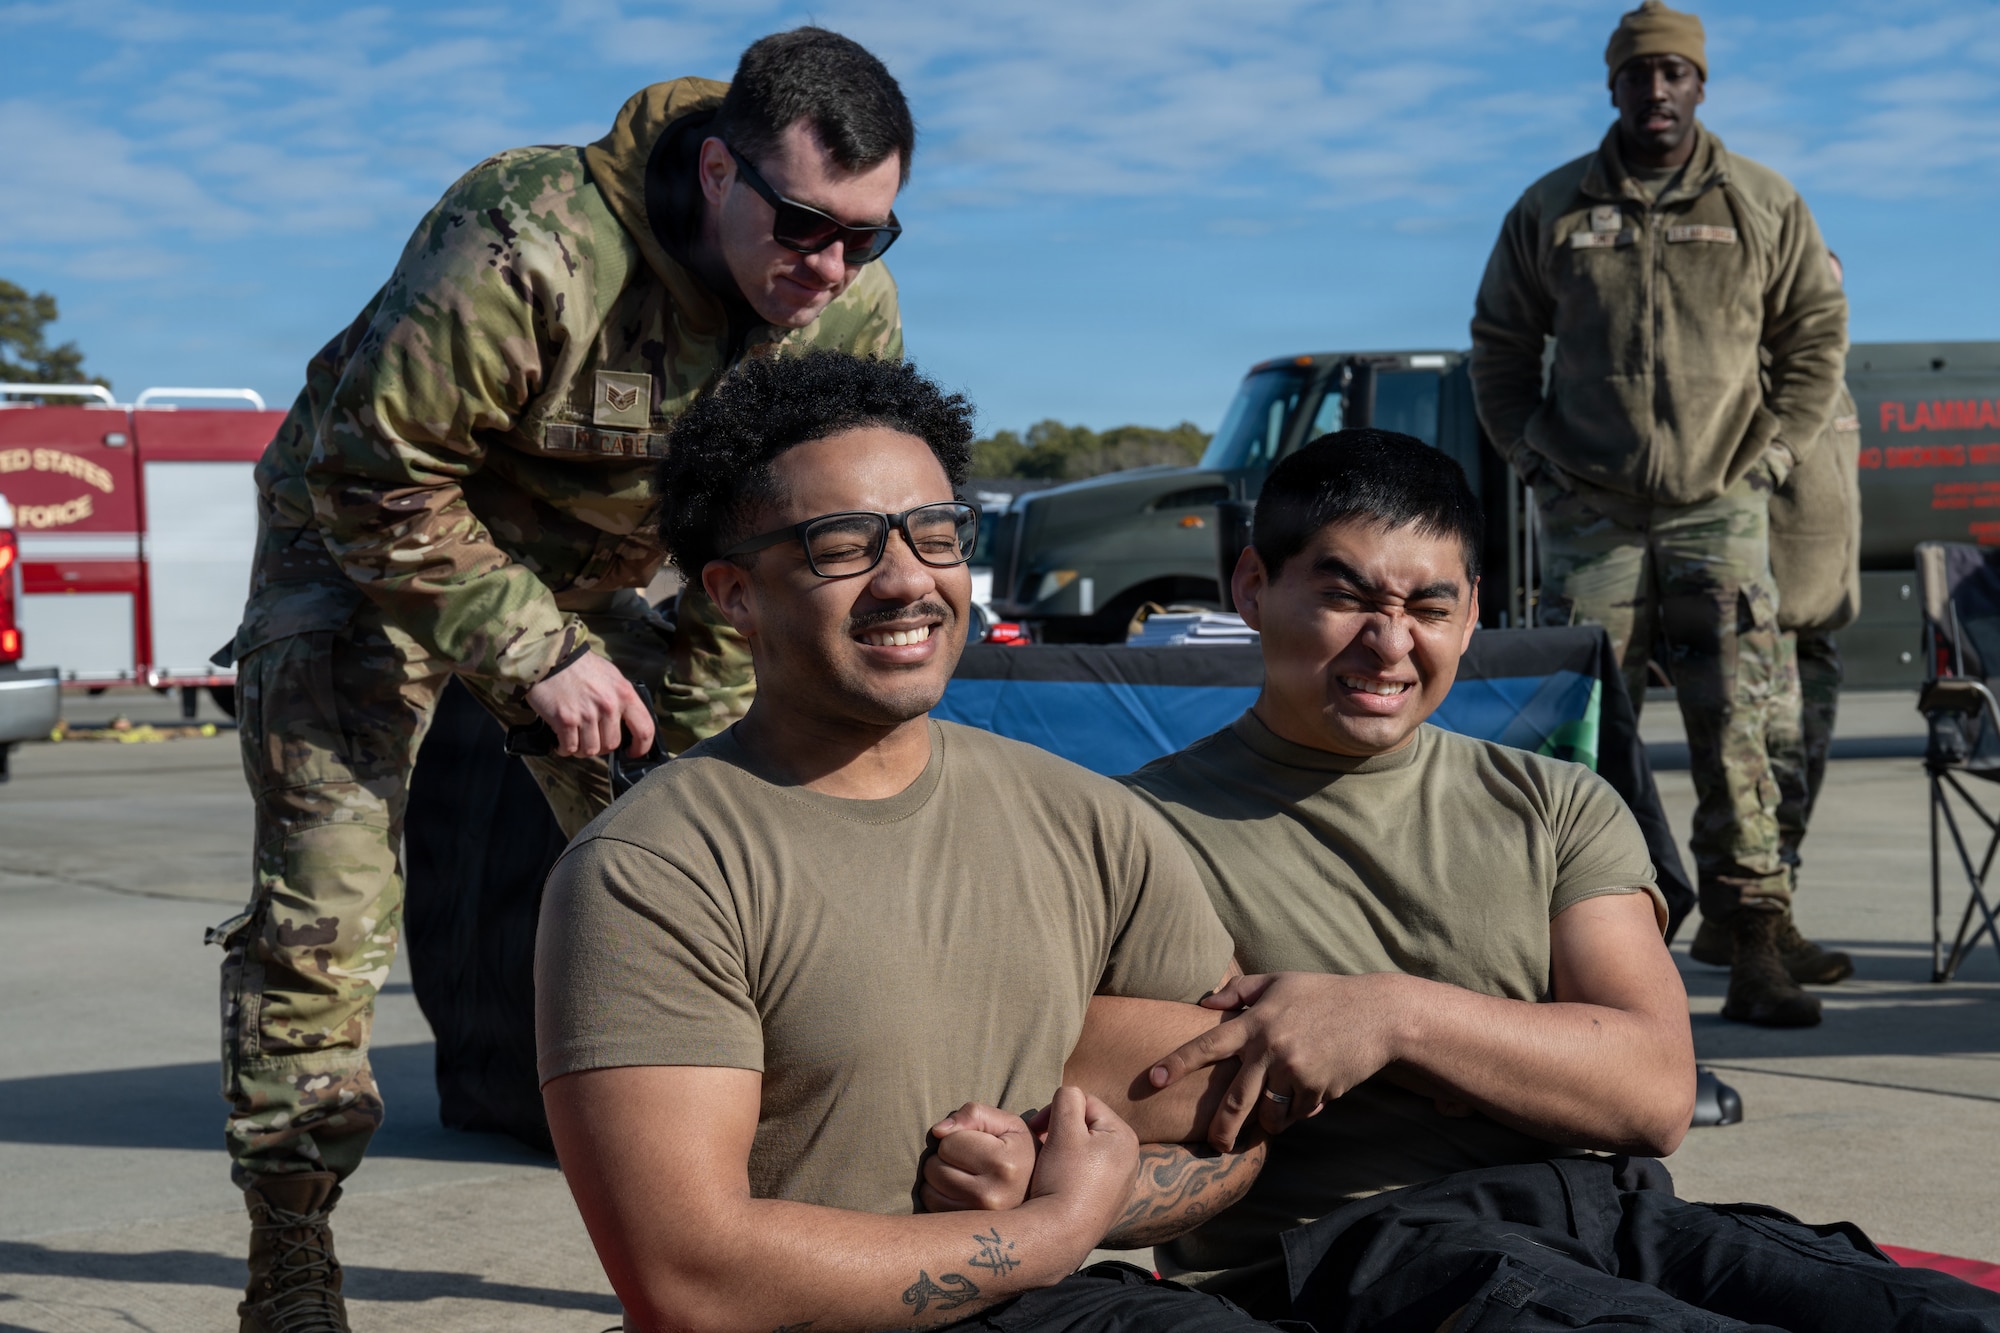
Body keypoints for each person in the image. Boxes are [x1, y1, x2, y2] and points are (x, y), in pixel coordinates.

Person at [214, 29, 910, 1331]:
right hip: (366, 559)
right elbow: (369, 476)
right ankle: (290, 1263)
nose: (830, 269)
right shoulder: (526, 236)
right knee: (324, 910)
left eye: (869, 236)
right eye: (808, 226)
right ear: (720, 174)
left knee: (723, 883)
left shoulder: (841, 309)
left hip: (593, 584)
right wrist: (532, 649)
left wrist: (719, 760)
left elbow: (765, 541)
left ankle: (777, 1225)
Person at [1116, 430, 2000, 1330]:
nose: (1389, 644)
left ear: (1470, 618)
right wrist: (1522, 1046)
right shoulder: (1131, 833)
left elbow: (1653, 1091)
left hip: (1610, 1212)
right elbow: (1105, 1072)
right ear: (1255, 587)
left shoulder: (1554, 801)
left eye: (1429, 606)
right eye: (1346, 596)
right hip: (1347, 1254)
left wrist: (1394, 1018)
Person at [535, 350, 1282, 1332]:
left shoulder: (1089, 820)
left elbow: (1233, 1122)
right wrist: (1049, 1231)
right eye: (840, 543)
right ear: (733, 595)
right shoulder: (651, 871)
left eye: (934, 534)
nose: (906, 580)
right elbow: (687, 1276)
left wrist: (1076, 1189)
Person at [1468, 0, 1850, 1028]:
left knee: (1740, 726)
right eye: (1637, 75)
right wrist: (1534, 460)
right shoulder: (1551, 209)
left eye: (1674, 73)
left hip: (1716, 506)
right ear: (1611, 86)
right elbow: (1498, 348)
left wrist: (1770, 458)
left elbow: (1814, 335)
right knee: (1577, 737)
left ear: (1699, 83)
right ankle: (1570, 947)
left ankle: (1754, 938)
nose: (1655, 92)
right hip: (1590, 510)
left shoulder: (1760, 202)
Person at [1690, 253, 1864, 984]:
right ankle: (1749, 924)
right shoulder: (1752, 377)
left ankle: (1744, 924)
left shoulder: (1830, 378)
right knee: (1767, 783)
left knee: (1801, 776)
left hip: (1821, 615)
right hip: (1769, 621)